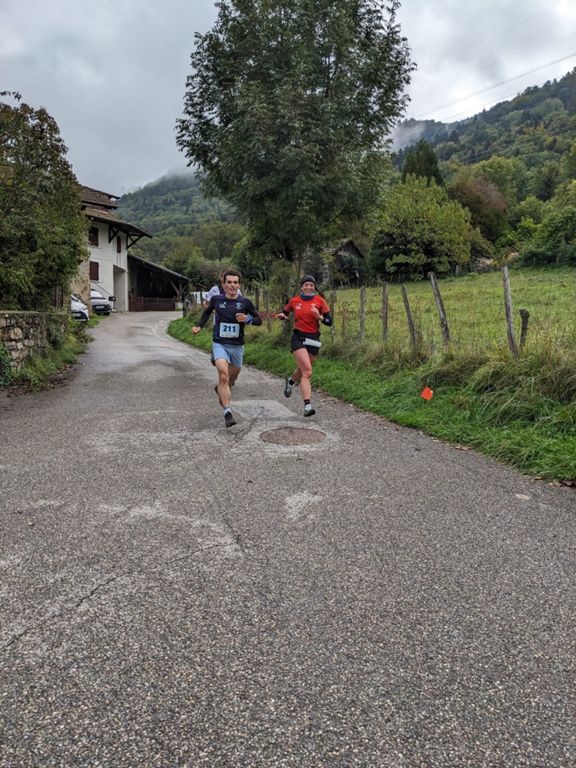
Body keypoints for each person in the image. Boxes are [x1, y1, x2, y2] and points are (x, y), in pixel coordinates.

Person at [192, 270, 261, 427]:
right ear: (223, 284)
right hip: (220, 343)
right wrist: (198, 326)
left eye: (235, 282)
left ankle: (222, 389)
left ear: (239, 285)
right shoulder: (217, 299)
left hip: (237, 346)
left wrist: (248, 319)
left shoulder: (245, 303)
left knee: (232, 378)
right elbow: (206, 313)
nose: (232, 285)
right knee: (223, 375)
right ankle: (227, 412)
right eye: (229, 282)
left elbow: (259, 320)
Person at [275, 274, 332, 417]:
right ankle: (307, 406)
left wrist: (319, 317)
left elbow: (329, 322)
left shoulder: (320, 301)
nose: (309, 287)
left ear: (314, 287)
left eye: (311, 285)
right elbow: (285, 312)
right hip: (298, 337)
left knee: (303, 369)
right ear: (301, 287)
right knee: (307, 372)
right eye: (306, 285)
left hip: (313, 339)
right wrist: (282, 315)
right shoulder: (295, 301)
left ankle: (291, 381)